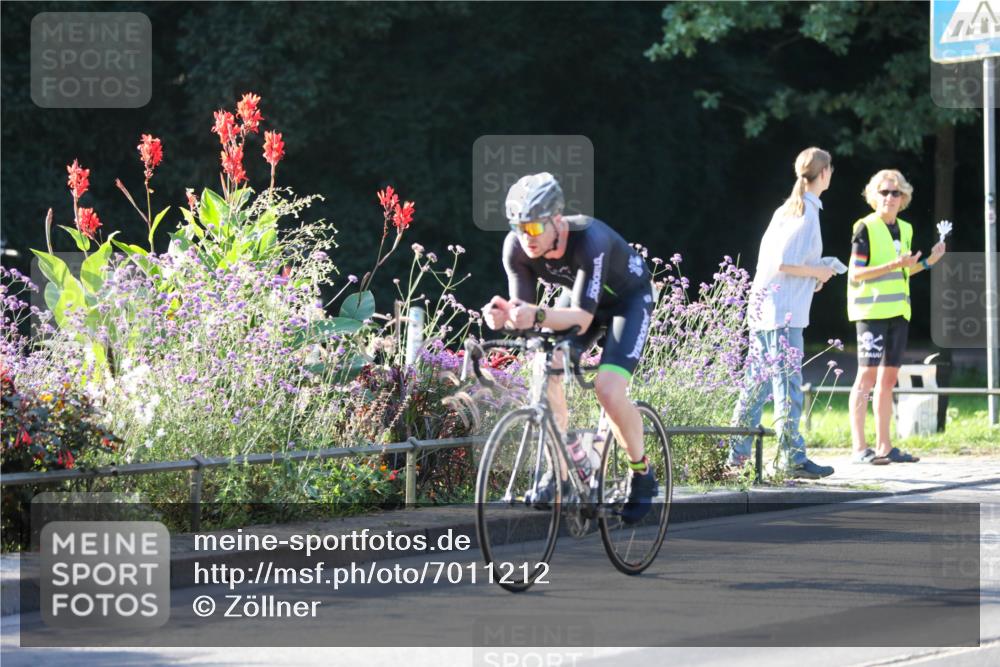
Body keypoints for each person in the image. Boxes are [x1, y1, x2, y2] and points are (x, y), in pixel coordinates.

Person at [482, 172, 657, 523]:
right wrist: (503, 317)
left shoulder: (589, 239)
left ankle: (642, 473)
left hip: (627, 302)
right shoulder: (516, 247)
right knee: (546, 366)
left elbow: (580, 316)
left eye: (533, 228)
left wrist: (538, 314)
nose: (525, 237)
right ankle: (560, 472)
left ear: (557, 221)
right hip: (580, 298)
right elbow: (527, 314)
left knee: (609, 390)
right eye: (518, 227)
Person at [730, 147, 837, 479]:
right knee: (786, 384)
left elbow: (782, 263)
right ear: (823, 174)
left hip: (769, 308)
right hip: (783, 314)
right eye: (830, 169)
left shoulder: (788, 209)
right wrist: (817, 273)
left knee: (757, 384)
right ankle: (792, 456)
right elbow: (784, 262)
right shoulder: (807, 212)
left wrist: (813, 276)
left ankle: (735, 457)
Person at [848, 169, 946, 464]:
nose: (890, 198)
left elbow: (904, 268)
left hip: (898, 313)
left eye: (896, 193)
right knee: (865, 378)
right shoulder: (864, 227)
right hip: (870, 312)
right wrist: (894, 264)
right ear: (873, 196)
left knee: (888, 380)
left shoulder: (905, 228)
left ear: (904, 197)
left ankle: (885, 447)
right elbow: (856, 273)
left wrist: (929, 262)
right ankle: (859, 449)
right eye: (884, 192)